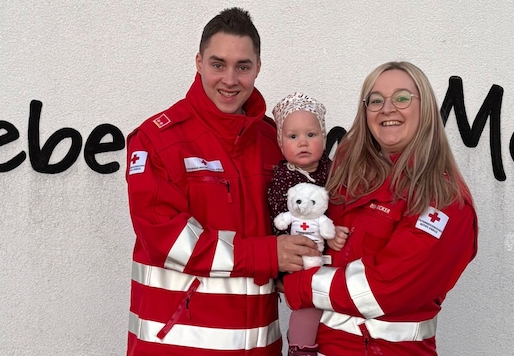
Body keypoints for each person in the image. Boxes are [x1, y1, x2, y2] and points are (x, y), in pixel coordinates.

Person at [125, 8, 320, 355]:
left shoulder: (271, 142)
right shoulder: (156, 140)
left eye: (243, 67)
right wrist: (268, 254)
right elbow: (169, 243)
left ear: (257, 68)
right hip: (176, 347)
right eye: (218, 64)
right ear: (199, 63)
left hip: (261, 347)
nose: (230, 80)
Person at [282, 61, 478, 355]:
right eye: (376, 100)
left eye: (402, 98)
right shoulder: (348, 180)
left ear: (424, 109)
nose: (387, 108)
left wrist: (297, 285)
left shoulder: (444, 199)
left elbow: (383, 288)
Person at [267, 92, 332, 355]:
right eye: (293, 137)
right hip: (297, 256)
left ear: (324, 138)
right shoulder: (282, 178)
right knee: (307, 302)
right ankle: (300, 347)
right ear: (281, 144)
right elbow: (277, 222)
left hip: (328, 254)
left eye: (311, 135)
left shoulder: (333, 171)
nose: (302, 143)